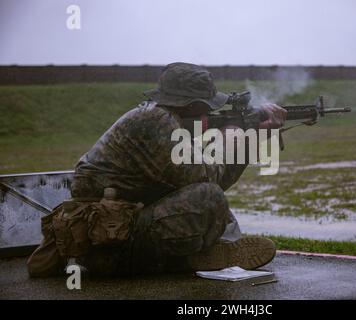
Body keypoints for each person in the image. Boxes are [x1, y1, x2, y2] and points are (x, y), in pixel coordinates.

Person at [27, 62, 287, 277]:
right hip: (106, 242)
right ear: (191, 104)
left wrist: (246, 137)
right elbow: (210, 180)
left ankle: (202, 253)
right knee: (208, 196)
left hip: (113, 230)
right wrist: (231, 137)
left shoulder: (156, 117)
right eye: (206, 105)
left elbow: (205, 177)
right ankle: (183, 261)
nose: (210, 110)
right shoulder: (157, 122)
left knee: (209, 196)